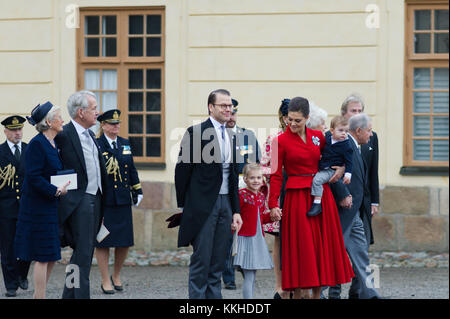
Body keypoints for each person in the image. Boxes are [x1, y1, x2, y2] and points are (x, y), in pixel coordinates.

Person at [268, 96, 354, 299]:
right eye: (290, 119)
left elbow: (332, 157)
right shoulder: (278, 141)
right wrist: (273, 204)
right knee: (301, 251)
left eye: (298, 120)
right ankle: (297, 296)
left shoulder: (319, 137)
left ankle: (317, 296)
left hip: (321, 198)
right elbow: (275, 175)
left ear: (307, 118)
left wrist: (342, 168)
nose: (293, 124)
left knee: (319, 250)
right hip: (296, 199)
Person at [175, 89, 243, 299]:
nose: (228, 109)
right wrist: (186, 207)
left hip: (226, 205)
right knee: (201, 260)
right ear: (211, 107)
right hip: (203, 205)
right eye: (223, 105)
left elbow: (232, 176)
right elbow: (182, 171)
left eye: (230, 106)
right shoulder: (195, 133)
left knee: (219, 261)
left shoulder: (231, 136)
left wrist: (236, 211)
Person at [327, 94, 380, 299]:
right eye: (353, 111)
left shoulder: (362, 141)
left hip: (358, 209)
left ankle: (370, 293)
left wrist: (372, 201)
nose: (371, 134)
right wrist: (342, 194)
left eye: (360, 111)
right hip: (343, 208)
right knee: (333, 254)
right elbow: (332, 170)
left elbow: (370, 173)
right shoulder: (338, 140)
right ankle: (320, 292)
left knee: (361, 253)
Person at [14, 102, 69, 298]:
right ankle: (40, 296)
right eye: (59, 117)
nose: (62, 120)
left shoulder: (53, 143)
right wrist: (55, 190)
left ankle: (40, 294)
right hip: (37, 209)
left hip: (50, 207)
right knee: (42, 257)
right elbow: (34, 177)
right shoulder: (37, 144)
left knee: (52, 255)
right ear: (48, 121)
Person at [55, 90, 107, 299]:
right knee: (84, 254)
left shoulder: (91, 134)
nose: (98, 113)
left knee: (81, 254)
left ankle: (68, 296)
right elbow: (54, 167)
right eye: (94, 108)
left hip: (96, 198)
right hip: (79, 201)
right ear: (80, 112)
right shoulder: (64, 135)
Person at [94, 109, 143, 294]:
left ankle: (116, 275)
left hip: (122, 198)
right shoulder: (97, 144)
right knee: (103, 241)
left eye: (118, 123)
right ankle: (105, 279)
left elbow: (131, 168)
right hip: (104, 200)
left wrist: (137, 189)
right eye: (112, 123)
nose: (116, 126)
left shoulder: (124, 143)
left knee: (124, 241)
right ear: (104, 125)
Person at [222, 98, 261, 290]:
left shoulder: (248, 135)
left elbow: (257, 162)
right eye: (228, 112)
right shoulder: (216, 136)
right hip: (225, 189)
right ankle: (228, 275)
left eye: (234, 113)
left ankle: (246, 266)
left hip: (245, 188)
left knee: (248, 230)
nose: (231, 117)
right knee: (229, 231)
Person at [259, 98, 289, 299]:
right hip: (279, 193)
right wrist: (279, 170)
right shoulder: (274, 138)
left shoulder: (308, 137)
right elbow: (264, 166)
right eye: (287, 117)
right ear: (283, 117)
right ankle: (280, 285)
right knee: (279, 241)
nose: (290, 121)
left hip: (300, 192)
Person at [0, 115, 31, 297]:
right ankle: (11, 284)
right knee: (8, 247)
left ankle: (22, 274)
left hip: (27, 206)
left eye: (19, 129)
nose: (17, 133)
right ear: (6, 132)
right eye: (13, 130)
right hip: (6, 207)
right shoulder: (0, 152)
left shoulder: (29, 149)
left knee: (27, 243)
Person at [233, 163, 274, 299]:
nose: (256, 181)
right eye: (252, 178)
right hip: (246, 239)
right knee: (249, 276)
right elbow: (235, 214)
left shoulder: (261, 197)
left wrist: (273, 216)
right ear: (245, 179)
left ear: (262, 179)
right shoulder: (241, 195)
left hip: (257, 239)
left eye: (258, 177)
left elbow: (260, 218)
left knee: (252, 275)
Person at [307, 116, 353, 217]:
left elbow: (349, 161)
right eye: (341, 130)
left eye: (346, 131)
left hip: (331, 170)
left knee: (317, 180)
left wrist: (348, 174)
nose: (344, 133)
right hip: (323, 167)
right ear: (332, 131)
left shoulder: (346, 145)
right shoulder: (327, 139)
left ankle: (317, 203)